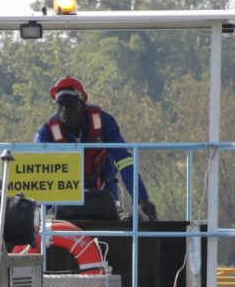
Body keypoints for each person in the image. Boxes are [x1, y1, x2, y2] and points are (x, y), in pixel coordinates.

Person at [35, 76, 151, 218]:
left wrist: (142, 198)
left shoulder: (103, 122)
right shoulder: (46, 133)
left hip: (104, 194)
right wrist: (42, 213)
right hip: (64, 200)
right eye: (61, 104)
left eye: (70, 104)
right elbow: (38, 172)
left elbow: (124, 160)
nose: (65, 109)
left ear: (82, 105)